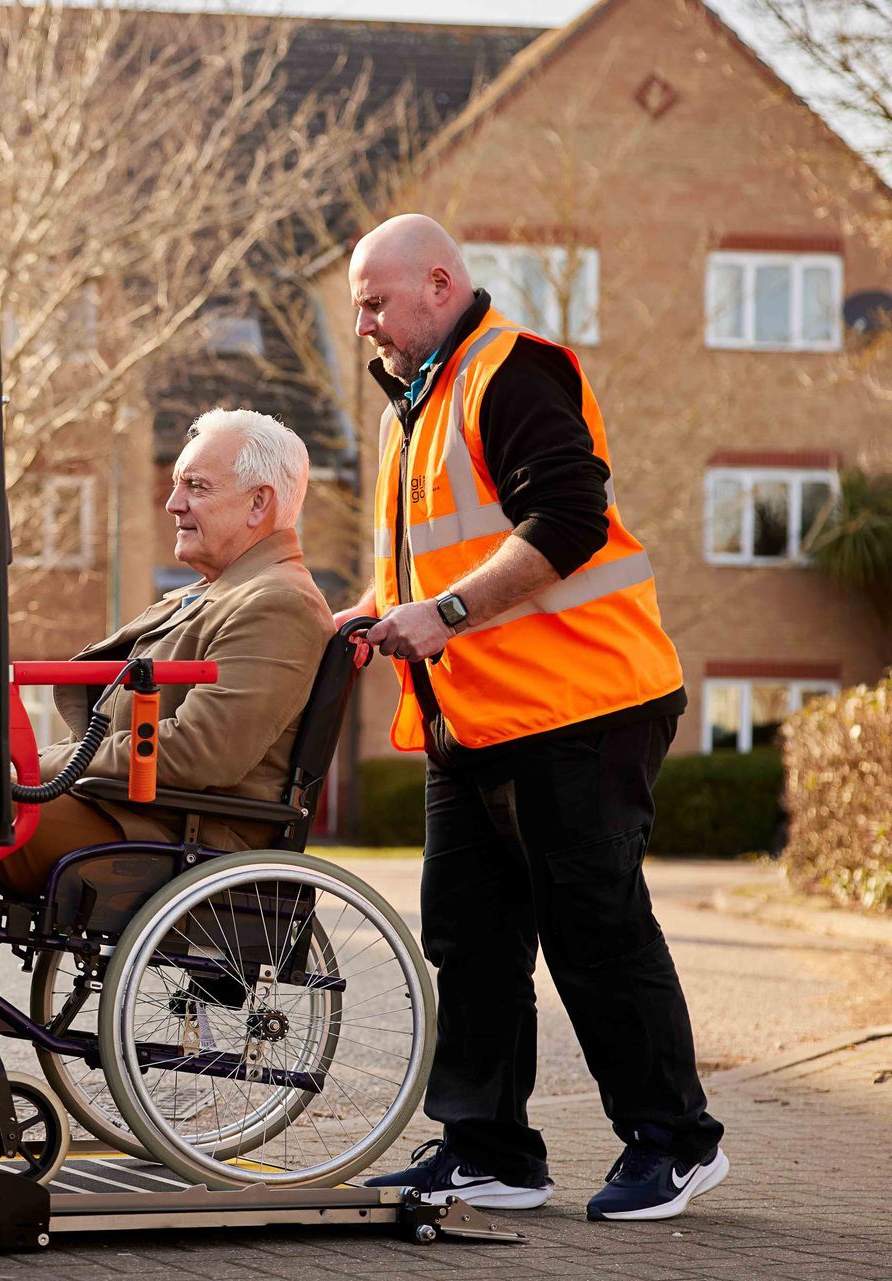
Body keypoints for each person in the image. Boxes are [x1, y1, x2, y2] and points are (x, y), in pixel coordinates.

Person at [341, 214, 726, 1222]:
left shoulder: (511, 370)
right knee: (468, 937)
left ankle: (675, 1143)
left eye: (376, 304)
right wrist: (380, 609)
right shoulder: (411, 408)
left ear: (439, 283)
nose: (365, 326)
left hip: (583, 703)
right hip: (477, 717)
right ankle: (491, 1152)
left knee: (594, 929)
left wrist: (444, 614)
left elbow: (567, 520)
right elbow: (440, 556)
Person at [0, 409, 333, 909]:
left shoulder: (277, 603)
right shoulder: (218, 594)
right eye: (177, 484)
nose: (173, 503)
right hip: (130, 812)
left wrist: (41, 767)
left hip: (181, 836)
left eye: (196, 486)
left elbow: (200, 751)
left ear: (258, 502)